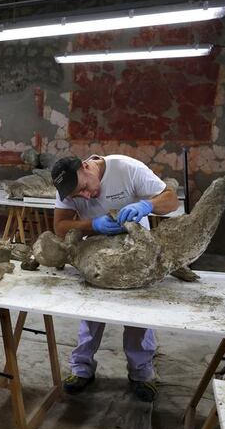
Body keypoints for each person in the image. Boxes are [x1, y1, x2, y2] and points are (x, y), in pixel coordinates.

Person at [51, 154, 179, 402]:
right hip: (97, 252)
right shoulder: (66, 187)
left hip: (136, 251)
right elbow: (60, 227)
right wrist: (93, 225)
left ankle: (141, 373)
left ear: (87, 167)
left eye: (85, 188)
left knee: (137, 315)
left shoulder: (127, 169)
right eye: (78, 196)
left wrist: (147, 205)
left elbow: (171, 200)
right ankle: (82, 368)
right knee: (91, 313)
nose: (85, 197)